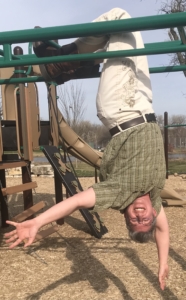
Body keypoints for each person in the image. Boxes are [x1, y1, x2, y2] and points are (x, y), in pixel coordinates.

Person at [4, 8, 169, 290]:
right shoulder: (152, 198)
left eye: (134, 220)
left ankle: (62, 62)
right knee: (127, 34)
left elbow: (77, 201)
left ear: (126, 215)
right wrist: (163, 263)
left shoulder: (119, 193)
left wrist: (38, 222)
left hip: (122, 107)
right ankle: (69, 62)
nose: (140, 215)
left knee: (120, 19)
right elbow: (164, 231)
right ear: (152, 214)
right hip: (145, 105)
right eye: (145, 219)